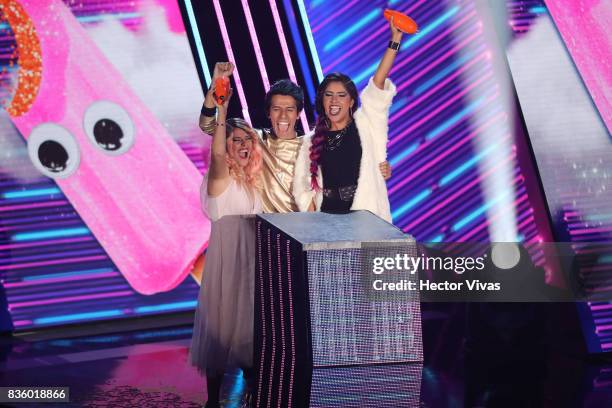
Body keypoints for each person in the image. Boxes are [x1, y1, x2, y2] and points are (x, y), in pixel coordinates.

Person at [199, 62, 391, 214]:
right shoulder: (256, 141)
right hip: (269, 235)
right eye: (276, 109)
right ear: (268, 113)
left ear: (298, 114)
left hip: (309, 233)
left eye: (289, 110)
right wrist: (216, 85)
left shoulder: (312, 146)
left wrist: (377, 168)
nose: (283, 116)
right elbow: (208, 125)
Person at [190, 85, 262, 408]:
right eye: (237, 140)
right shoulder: (219, 177)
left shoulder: (255, 178)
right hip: (227, 257)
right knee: (221, 329)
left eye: (247, 139)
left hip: (255, 256)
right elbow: (217, 153)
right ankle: (213, 401)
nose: (243, 145)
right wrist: (221, 110)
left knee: (252, 329)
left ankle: (253, 392)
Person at [292, 17, 403, 222]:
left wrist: (394, 41)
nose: (334, 100)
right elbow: (300, 184)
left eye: (341, 95)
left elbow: (377, 85)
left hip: (366, 214)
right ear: (322, 100)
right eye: (328, 95)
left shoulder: (365, 123)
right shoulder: (310, 141)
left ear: (352, 101)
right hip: (328, 220)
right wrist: (311, 209)